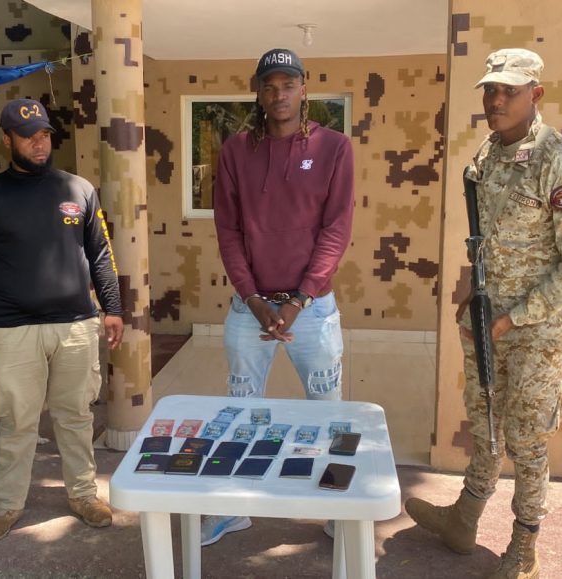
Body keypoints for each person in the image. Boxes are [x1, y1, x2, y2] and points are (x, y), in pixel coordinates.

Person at [405, 48, 562, 578]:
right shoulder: (490, 153)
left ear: (535, 94)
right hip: (487, 319)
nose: (495, 100)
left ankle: (523, 546)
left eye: (508, 91)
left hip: (540, 330)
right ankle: (464, 518)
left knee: (527, 439)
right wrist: (477, 295)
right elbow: (489, 238)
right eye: (490, 90)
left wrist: (514, 317)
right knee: (487, 423)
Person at [0, 98, 124, 543]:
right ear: (7, 139)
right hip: (10, 329)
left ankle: (84, 495)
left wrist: (113, 308)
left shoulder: (78, 189)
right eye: (28, 136)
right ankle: (8, 505)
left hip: (75, 325)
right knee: (17, 422)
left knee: (75, 416)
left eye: (45, 134)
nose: (39, 143)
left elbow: (101, 254)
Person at [206, 47, 355, 546]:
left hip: (312, 310)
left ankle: (338, 509)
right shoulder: (235, 152)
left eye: (288, 85)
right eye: (269, 86)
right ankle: (235, 508)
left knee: (330, 410)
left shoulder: (334, 148)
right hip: (249, 308)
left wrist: (298, 300)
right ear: (258, 92)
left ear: (303, 89)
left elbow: (336, 230)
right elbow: (228, 232)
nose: (279, 95)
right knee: (241, 410)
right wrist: (253, 300)